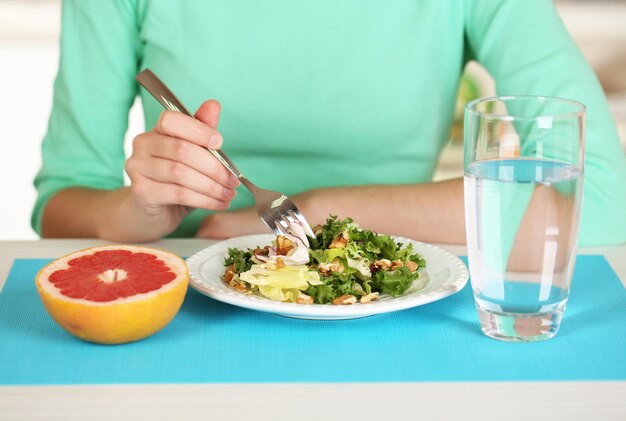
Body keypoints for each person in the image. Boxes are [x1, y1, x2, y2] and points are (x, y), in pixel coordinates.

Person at [34, 0, 626, 246]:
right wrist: (139, 213)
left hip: (397, 298)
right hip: (189, 310)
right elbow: (60, 203)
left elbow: (600, 201)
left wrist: (311, 215)